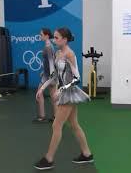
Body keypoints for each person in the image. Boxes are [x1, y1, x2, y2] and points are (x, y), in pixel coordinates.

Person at [34, 27, 93, 170]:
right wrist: (42, 88)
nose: (54, 40)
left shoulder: (70, 54)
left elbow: (77, 78)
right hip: (64, 92)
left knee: (56, 125)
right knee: (74, 124)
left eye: (57, 37)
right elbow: (54, 76)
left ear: (65, 39)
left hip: (69, 93)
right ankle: (87, 154)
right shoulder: (58, 53)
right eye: (53, 37)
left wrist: (60, 90)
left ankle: (48, 159)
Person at [33, 28, 57, 123]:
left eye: (41, 34)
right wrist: (44, 71)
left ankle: (42, 117)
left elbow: (51, 62)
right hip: (49, 74)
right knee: (53, 96)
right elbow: (49, 62)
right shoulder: (49, 45)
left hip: (49, 75)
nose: (40, 36)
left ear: (47, 35)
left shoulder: (48, 47)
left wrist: (50, 75)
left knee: (39, 94)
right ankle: (55, 117)